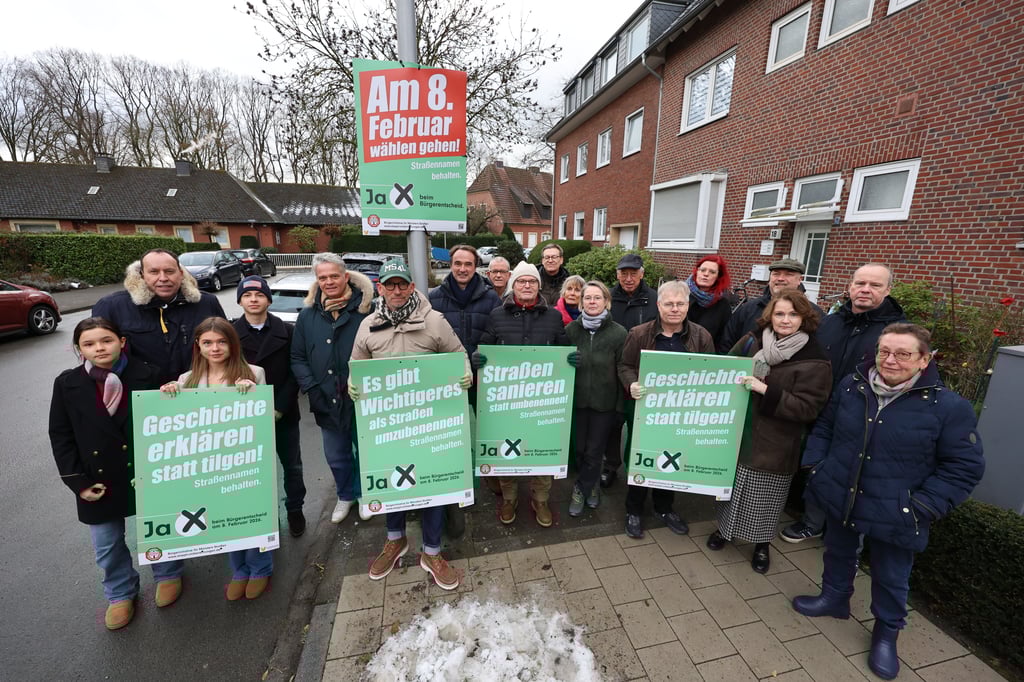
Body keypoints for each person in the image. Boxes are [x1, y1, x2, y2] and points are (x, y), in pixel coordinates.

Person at [792, 323, 984, 680]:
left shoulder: (947, 407)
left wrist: (922, 507)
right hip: (841, 493)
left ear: (924, 360)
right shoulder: (852, 386)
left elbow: (963, 467)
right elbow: (824, 429)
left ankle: (886, 632)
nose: (890, 360)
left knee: (891, 575)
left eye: (903, 354)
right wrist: (817, 467)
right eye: (884, 351)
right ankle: (834, 598)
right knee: (837, 551)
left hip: (897, 510)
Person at [349, 258, 471, 590]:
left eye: (402, 283)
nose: (397, 290)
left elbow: (458, 353)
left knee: (431, 485)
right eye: (390, 284)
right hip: (390, 424)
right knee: (393, 481)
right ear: (381, 288)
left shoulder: (433, 321)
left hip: (430, 421)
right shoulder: (368, 324)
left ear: (412, 286)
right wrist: (353, 383)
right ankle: (395, 540)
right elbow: (357, 365)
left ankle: (431, 551)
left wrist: (465, 372)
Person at [49, 317, 176, 629]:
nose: (99, 348)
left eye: (106, 340)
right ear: (78, 348)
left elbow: (172, 424)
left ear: (121, 341)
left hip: (146, 470)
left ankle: (168, 573)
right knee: (106, 544)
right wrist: (78, 483)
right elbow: (61, 435)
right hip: (97, 478)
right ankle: (120, 593)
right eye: (89, 344)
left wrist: (174, 393)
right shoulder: (67, 384)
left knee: (161, 529)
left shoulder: (148, 374)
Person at [706, 289, 832, 573]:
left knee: (765, 499)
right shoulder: (752, 340)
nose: (785, 320)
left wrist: (766, 390)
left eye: (793, 314)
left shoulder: (815, 359)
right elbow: (723, 367)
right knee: (731, 491)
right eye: (779, 314)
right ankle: (724, 531)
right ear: (770, 316)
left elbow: (808, 409)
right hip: (740, 433)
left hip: (777, 442)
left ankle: (761, 544)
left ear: (804, 318)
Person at [781, 263, 907, 544]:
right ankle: (812, 523)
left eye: (874, 285)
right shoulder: (830, 322)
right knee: (819, 467)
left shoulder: (898, 331)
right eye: (860, 283)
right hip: (819, 411)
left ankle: (846, 536)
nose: (865, 290)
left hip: (864, 417)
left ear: (888, 290)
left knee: (854, 477)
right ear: (849, 287)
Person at [160, 317, 271, 600]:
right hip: (211, 465)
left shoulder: (254, 373)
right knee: (224, 517)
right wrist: (168, 394)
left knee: (253, 514)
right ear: (198, 345)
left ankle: (261, 567)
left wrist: (253, 395)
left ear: (232, 344)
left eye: (222, 342)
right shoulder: (187, 380)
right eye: (207, 343)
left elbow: (265, 420)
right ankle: (239, 569)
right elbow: (179, 425)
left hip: (246, 463)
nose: (215, 348)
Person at [475, 261, 573, 528]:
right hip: (507, 401)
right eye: (521, 281)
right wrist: (479, 358)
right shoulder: (497, 315)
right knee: (507, 450)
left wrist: (571, 358)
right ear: (512, 285)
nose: (527, 285)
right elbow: (485, 344)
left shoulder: (553, 316)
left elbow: (563, 347)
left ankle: (540, 499)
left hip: (542, 401)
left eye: (531, 281)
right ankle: (509, 497)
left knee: (542, 449)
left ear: (538, 286)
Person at [619, 280, 715, 539]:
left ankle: (664, 508)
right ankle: (634, 510)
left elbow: (710, 374)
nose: (675, 309)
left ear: (688, 305)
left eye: (680, 304)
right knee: (642, 459)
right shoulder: (639, 334)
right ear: (659, 305)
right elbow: (625, 366)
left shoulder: (701, 336)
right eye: (669, 304)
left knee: (672, 459)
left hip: (679, 416)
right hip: (647, 412)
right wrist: (632, 384)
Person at [291, 253, 375, 525]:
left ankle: (364, 494)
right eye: (322, 277)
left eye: (334, 276)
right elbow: (298, 357)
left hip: (361, 397)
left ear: (345, 277)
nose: (329, 282)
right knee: (336, 455)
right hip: (326, 397)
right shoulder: (307, 316)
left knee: (365, 450)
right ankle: (345, 495)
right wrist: (312, 388)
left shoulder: (367, 311)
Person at [427, 244, 501, 535]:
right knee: (450, 435)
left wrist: (486, 360)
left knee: (482, 431)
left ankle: (480, 479)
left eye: (467, 264)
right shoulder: (434, 298)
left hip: (480, 378)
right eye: (457, 263)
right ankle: (454, 484)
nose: (461, 269)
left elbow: (496, 334)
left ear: (475, 266)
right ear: (451, 265)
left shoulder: (490, 297)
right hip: (448, 382)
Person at [232, 275, 307, 537]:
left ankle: (295, 509)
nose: (254, 300)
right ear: (240, 300)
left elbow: (295, 370)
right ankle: (264, 515)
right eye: (247, 295)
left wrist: (279, 407)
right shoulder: (229, 334)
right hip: (245, 418)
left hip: (282, 414)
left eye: (259, 295)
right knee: (255, 470)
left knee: (292, 467)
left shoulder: (287, 331)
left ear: (268, 299)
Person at [92, 248, 226, 384]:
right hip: (142, 394)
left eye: (169, 271)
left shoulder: (207, 303)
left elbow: (228, 345)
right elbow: (95, 356)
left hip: (197, 390)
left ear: (180, 274)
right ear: (142, 275)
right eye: (154, 272)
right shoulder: (112, 307)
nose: (163, 278)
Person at [565, 281, 627, 517]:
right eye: (587, 298)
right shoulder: (571, 330)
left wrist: (620, 407)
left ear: (606, 302)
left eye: (597, 298)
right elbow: (560, 364)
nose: (592, 302)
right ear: (581, 303)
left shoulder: (619, 333)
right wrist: (567, 361)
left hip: (605, 405)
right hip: (577, 403)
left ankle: (583, 489)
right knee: (579, 450)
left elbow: (623, 368)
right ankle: (590, 484)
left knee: (594, 450)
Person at [602, 253, 659, 489]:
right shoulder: (609, 298)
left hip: (642, 372)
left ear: (642, 274)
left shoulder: (654, 299)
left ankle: (636, 467)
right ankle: (610, 465)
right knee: (613, 422)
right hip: (612, 370)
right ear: (617, 275)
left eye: (633, 273)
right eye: (623, 273)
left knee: (639, 424)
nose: (628, 278)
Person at [718, 258, 823, 354]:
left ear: (800, 279)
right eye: (776, 274)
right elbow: (727, 344)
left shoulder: (813, 313)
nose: (781, 278)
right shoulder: (748, 310)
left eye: (788, 274)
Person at [684, 255, 734, 348]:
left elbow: (724, 337)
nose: (706, 274)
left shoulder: (722, 304)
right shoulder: (681, 295)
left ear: (718, 277)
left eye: (712, 272)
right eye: (702, 270)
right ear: (697, 272)